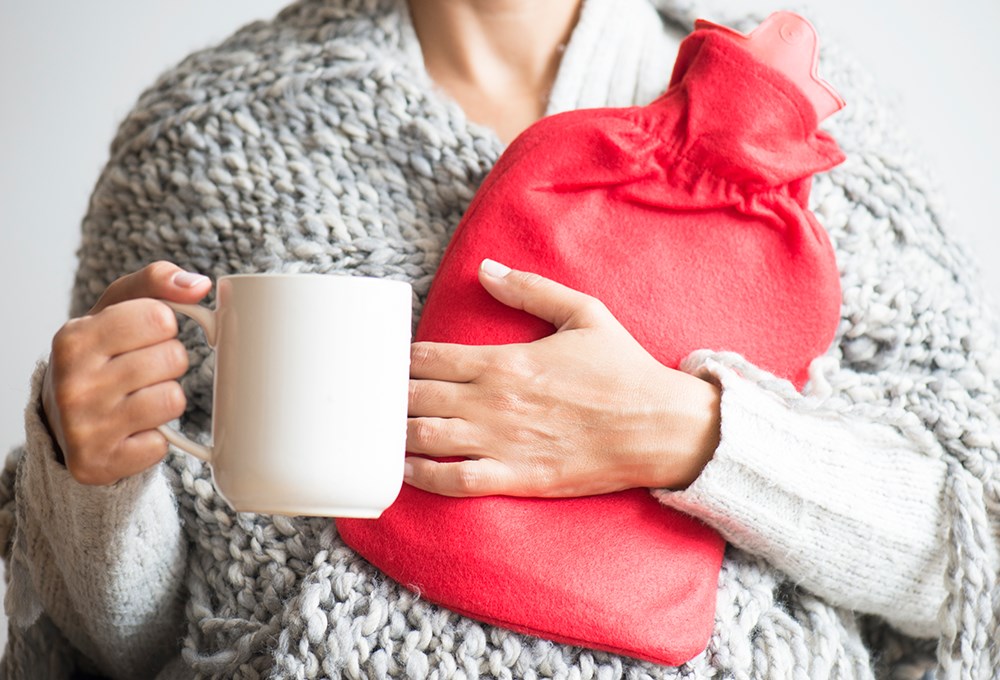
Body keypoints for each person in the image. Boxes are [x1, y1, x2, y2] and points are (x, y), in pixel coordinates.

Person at [1, 0, 997, 678]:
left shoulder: (799, 116)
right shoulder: (204, 136)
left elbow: (970, 546)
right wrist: (90, 474)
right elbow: (125, 644)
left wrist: (690, 434)